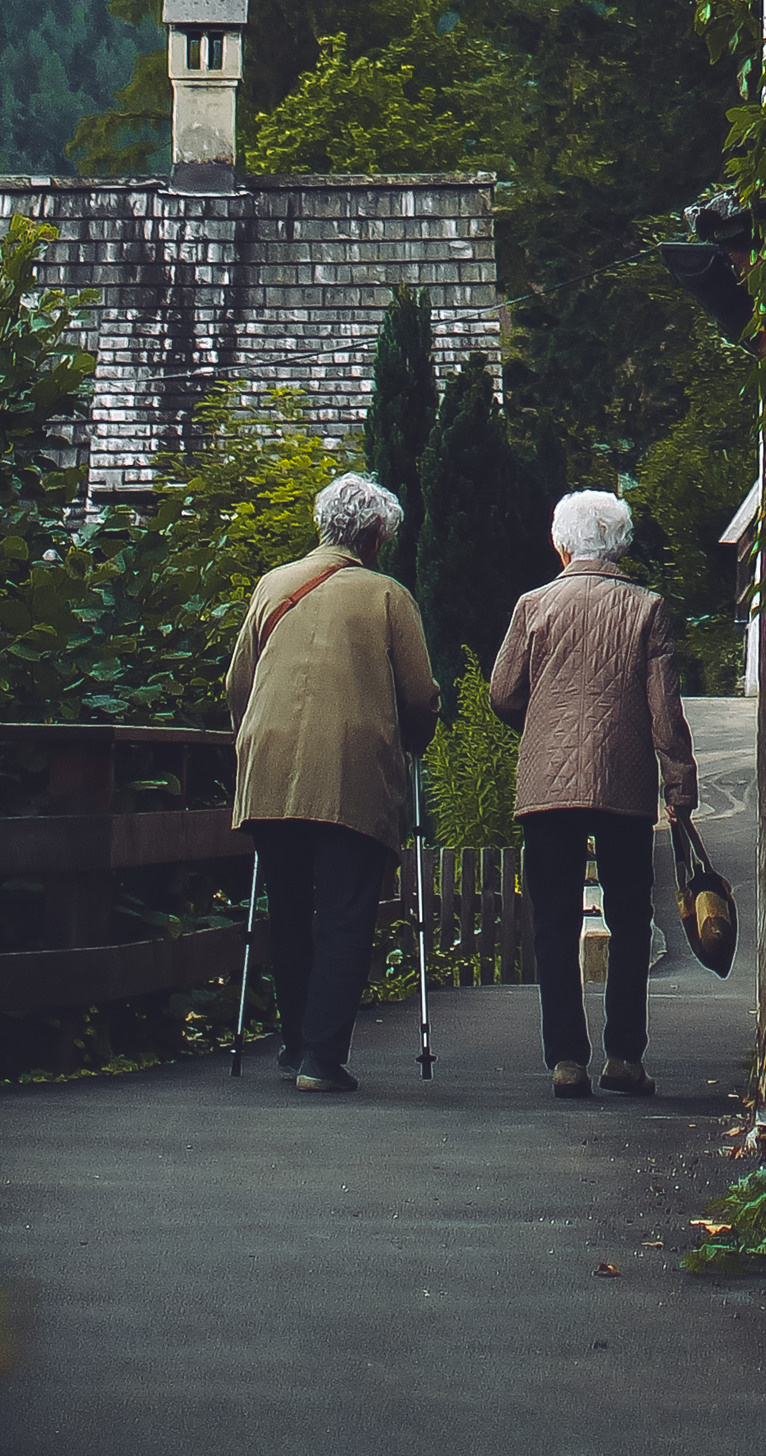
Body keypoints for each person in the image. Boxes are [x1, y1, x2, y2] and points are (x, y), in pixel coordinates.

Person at [228, 470, 439, 1097]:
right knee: (347, 911)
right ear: (376, 536)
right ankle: (320, 1058)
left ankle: (292, 1043)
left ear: (324, 525)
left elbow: (237, 686)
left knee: (288, 909)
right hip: (350, 774)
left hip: (268, 772)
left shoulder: (272, 585)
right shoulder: (387, 597)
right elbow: (420, 696)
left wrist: (256, 739)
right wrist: (413, 739)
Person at [489, 487, 698, 1101]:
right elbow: (665, 710)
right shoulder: (647, 608)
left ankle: (566, 1062)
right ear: (621, 543)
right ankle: (624, 1058)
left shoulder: (533, 605)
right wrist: (679, 788)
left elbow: (503, 693)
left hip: (547, 785)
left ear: (561, 544)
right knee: (630, 917)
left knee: (552, 920)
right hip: (623, 781)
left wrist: (545, 722)